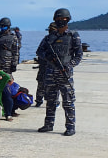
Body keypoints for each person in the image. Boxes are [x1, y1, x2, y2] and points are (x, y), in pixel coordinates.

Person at [36, 8, 83, 136]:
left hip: (65, 73)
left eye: (63, 19)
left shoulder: (73, 36)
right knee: (50, 101)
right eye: (58, 20)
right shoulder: (49, 37)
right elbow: (39, 51)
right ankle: (48, 124)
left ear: (68, 20)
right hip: (50, 72)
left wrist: (69, 65)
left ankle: (70, 127)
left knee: (68, 101)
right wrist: (48, 57)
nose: (60, 21)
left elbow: (78, 56)